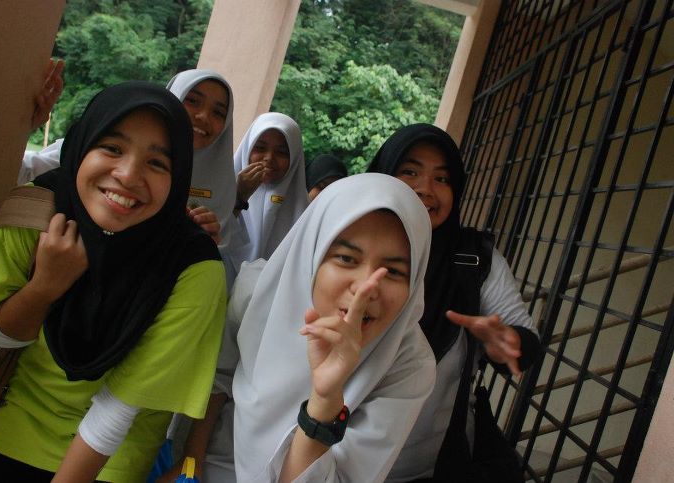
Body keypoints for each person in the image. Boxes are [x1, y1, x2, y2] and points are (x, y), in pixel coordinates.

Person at [0, 82, 227, 482]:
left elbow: (119, 407)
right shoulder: (35, 212)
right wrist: (44, 287)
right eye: (112, 148)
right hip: (5, 423)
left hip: (111, 458)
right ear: (82, 145)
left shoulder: (192, 266)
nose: (128, 175)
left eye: (157, 163)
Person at [162, 173, 436, 482]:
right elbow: (219, 380)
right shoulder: (257, 292)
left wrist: (325, 402)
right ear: (312, 252)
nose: (365, 288)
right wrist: (190, 463)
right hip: (218, 463)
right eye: (346, 258)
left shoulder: (408, 365)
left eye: (394, 271)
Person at [366, 124, 540, 481]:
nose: (425, 189)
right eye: (410, 171)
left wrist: (507, 341)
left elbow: (526, 342)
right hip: (333, 458)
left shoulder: (473, 259)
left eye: (442, 178)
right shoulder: (344, 239)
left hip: (430, 469)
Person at [19, 68, 235, 244]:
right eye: (193, 100)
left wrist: (201, 241)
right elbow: (25, 172)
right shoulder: (94, 146)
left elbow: (221, 252)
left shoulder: (224, 183)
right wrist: (22, 128)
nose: (203, 116)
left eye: (218, 112)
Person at [222, 112, 308, 282]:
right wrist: (238, 196)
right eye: (260, 148)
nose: (269, 158)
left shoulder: (304, 210)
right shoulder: (221, 190)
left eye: (282, 152)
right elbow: (214, 239)